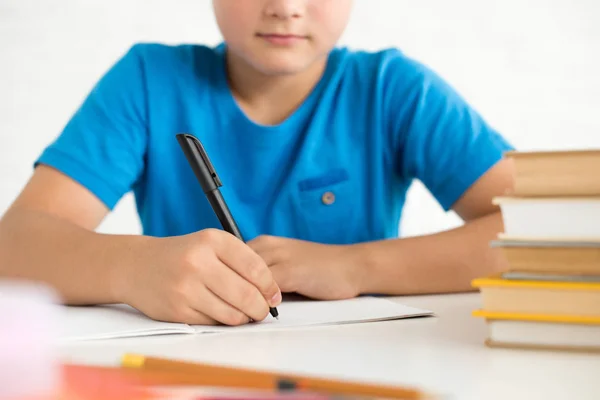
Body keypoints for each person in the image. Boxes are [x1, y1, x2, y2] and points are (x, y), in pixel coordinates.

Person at [0, 0, 514, 326]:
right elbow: (16, 244)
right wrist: (132, 269)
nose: (286, 6)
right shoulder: (147, 80)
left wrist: (356, 265)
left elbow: (550, 237)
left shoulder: (395, 90)